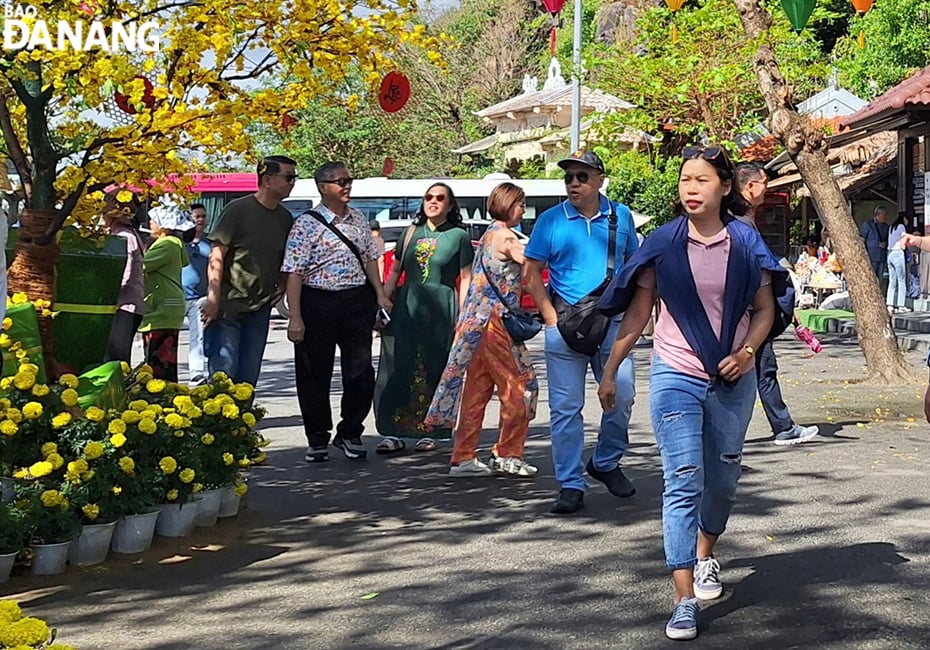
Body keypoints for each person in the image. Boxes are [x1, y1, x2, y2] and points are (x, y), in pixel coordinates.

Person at [597, 144, 790, 641]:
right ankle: (683, 599)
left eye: (702, 180)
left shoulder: (746, 243)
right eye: (685, 180)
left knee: (723, 475)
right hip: (675, 373)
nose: (690, 188)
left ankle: (706, 552)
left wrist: (746, 354)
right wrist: (611, 368)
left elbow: (765, 310)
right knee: (683, 477)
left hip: (733, 376)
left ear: (724, 187)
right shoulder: (662, 244)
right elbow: (639, 313)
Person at [523, 150, 639, 515]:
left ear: (600, 179)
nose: (574, 183)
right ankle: (570, 484)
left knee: (622, 393)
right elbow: (531, 273)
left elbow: (635, 270)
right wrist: (550, 318)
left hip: (613, 323)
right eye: (569, 177)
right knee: (565, 409)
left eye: (582, 176)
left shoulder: (620, 216)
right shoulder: (550, 221)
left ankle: (605, 461)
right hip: (565, 324)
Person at [423, 182, 539, 477]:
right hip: (496, 324)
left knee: (477, 391)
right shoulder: (505, 236)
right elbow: (529, 260)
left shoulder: (488, 234)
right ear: (508, 204)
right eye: (520, 204)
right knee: (520, 387)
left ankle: (463, 456)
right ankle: (508, 453)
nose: (523, 209)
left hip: (475, 324)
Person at [283, 161, 392, 463]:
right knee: (314, 372)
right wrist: (295, 316)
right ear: (322, 187)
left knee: (360, 371)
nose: (346, 186)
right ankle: (317, 437)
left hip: (356, 301)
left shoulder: (358, 219)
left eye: (349, 180)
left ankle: (350, 431)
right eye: (339, 181)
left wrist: (380, 294)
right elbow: (293, 271)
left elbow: (370, 258)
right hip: (317, 301)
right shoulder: (306, 224)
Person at [375, 183, 474, 453]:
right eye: (428, 197)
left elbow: (465, 279)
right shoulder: (411, 233)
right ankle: (391, 431)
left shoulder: (459, 237)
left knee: (435, 367)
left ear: (450, 205)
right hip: (407, 308)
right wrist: (383, 300)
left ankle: (434, 430)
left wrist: (465, 316)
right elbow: (395, 271)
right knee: (398, 366)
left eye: (440, 198)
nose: (433, 202)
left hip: (442, 309)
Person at [734, 163, 819, 446]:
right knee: (754, 371)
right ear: (749, 187)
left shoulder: (742, 221)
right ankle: (771, 429)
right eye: (764, 183)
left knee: (762, 369)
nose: (767, 189)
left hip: (755, 311)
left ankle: (781, 426)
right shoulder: (739, 226)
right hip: (748, 314)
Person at [202, 155, 296, 387]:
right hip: (229, 306)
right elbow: (216, 254)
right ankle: (221, 421)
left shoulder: (285, 218)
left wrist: (282, 286)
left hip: (260, 307)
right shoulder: (238, 210)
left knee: (249, 372)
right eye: (288, 177)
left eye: (294, 177)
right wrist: (213, 298)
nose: (292, 182)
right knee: (224, 370)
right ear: (267, 180)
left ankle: (242, 419)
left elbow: (287, 258)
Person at [139, 203, 194, 382]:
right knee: (165, 358)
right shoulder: (175, 243)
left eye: (153, 220)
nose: (150, 223)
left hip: (162, 305)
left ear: (164, 224)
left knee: (158, 361)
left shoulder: (167, 244)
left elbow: (141, 265)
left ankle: (161, 397)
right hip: (170, 304)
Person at [103, 191, 145, 364]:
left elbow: (124, 274)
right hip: (129, 304)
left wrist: (106, 292)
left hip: (125, 306)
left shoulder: (123, 237)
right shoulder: (128, 234)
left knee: (116, 357)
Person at [182, 203, 211, 385]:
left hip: (200, 297)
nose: (200, 219)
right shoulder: (180, 242)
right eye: (196, 216)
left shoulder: (210, 242)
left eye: (203, 216)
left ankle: (196, 372)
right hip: (178, 295)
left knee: (197, 336)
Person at [886, 213, 908, 313]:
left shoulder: (891, 227)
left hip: (889, 253)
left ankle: (890, 304)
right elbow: (904, 239)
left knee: (892, 281)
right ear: (904, 219)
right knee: (901, 280)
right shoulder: (901, 226)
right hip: (898, 253)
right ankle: (901, 305)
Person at [860, 205, 889, 278]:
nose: (886, 217)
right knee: (871, 277)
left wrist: (885, 244)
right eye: (884, 214)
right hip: (871, 256)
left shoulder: (886, 227)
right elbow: (862, 239)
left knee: (879, 277)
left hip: (882, 256)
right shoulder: (868, 225)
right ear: (878, 214)